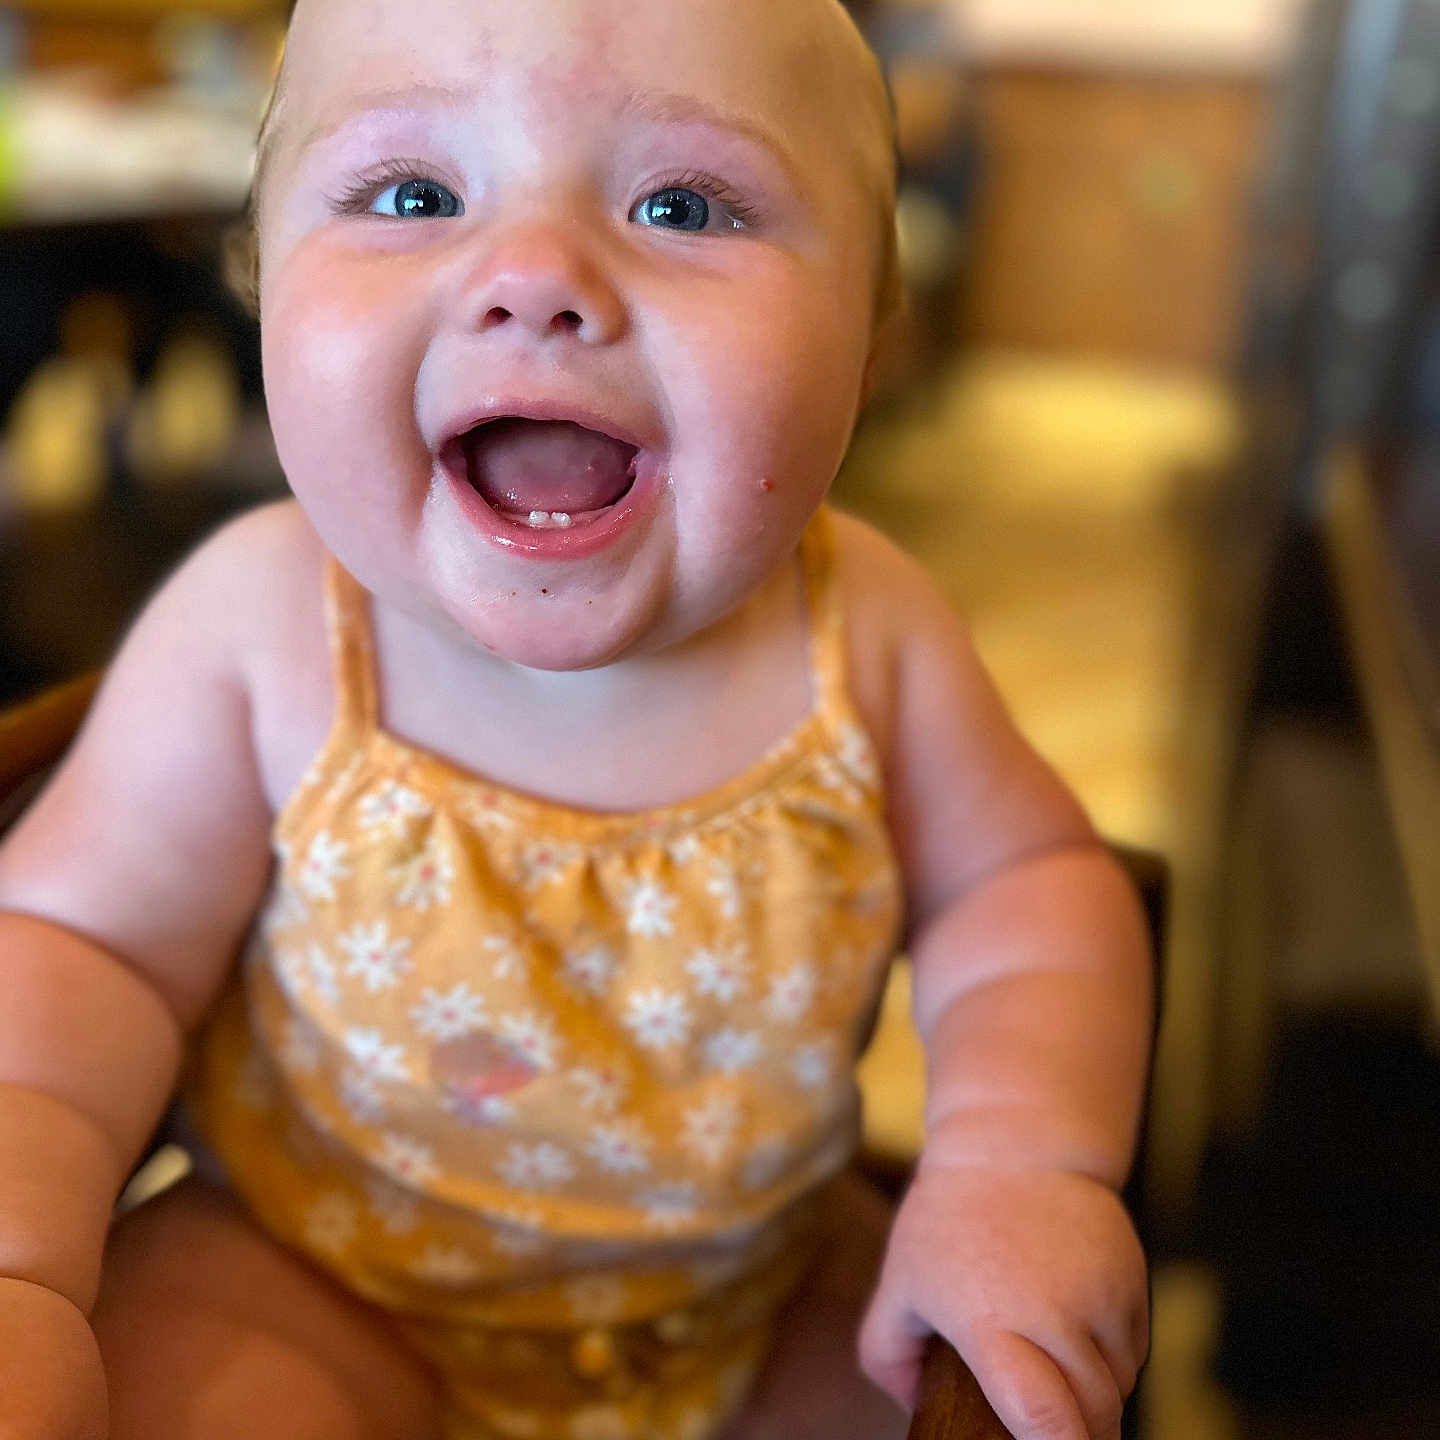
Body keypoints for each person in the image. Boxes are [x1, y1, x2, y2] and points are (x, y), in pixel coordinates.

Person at [0, 1, 1153, 1437]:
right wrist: (23, 1261)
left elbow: (1031, 891)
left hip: (755, 1299)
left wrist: (1017, 1169)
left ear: (869, 342)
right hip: (307, 1282)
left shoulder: (874, 640)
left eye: (683, 203)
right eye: (413, 194)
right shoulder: (258, 632)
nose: (536, 277)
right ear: (262, 282)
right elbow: (79, 949)